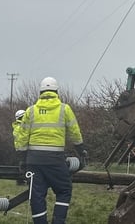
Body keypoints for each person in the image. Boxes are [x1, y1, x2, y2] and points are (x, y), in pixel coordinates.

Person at [15, 77, 87, 224]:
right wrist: (81, 149)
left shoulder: (31, 110)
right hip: (55, 159)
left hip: (34, 160)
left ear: (40, 92)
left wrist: (23, 157)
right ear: (57, 92)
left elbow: (22, 136)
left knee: (37, 195)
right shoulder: (64, 109)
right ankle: (58, 221)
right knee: (64, 190)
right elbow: (74, 132)